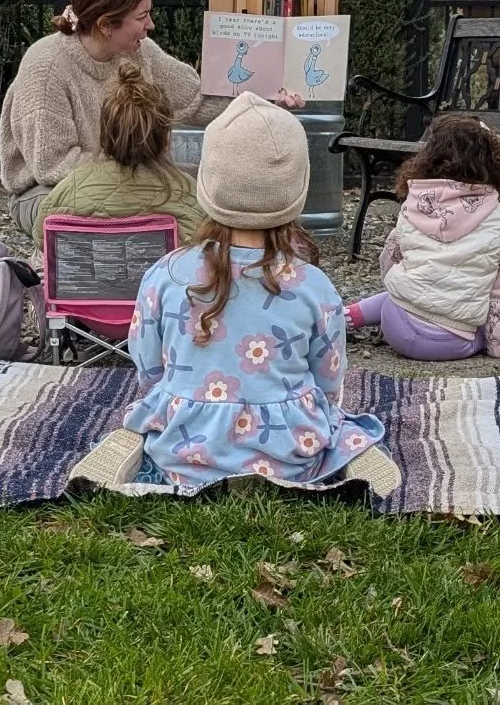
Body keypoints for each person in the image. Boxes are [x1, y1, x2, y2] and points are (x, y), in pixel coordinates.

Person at [70, 92, 398, 497]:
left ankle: (140, 443)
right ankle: (347, 451)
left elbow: (149, 366)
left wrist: (172, 398)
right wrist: (321, 413)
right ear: (298, 187)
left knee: (150, 412)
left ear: (208, 180)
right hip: (289, 449)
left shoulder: (164, 274)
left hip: (185, 447)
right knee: (337, 421)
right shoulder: (313, 285)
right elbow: (329, 377)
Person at [0, 0, 214, 239]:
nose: (151, 24)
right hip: (47, 190)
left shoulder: (141, 52)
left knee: (208, 191)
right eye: (142, 16)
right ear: (105, 25)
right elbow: (51, 166)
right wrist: (137, 178)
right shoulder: (46, 67)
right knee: (94, 214)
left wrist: (269, 98)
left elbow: (196, 100)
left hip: (128, 173)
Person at [345, 114, 500, 362]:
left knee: (400, 292)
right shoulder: (499, 219)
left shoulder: (415, 202)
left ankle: (344, 317)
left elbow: (390, 254)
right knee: (482, 330)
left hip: (395, 322)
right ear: (494, 164)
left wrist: (400, 287)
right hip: (450, 342)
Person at [36, 61, 203, 243]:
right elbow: (203, 247)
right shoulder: (188, 193)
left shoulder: (68, 190)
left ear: (104, 135)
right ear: (165, 140)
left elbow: (40, 238)